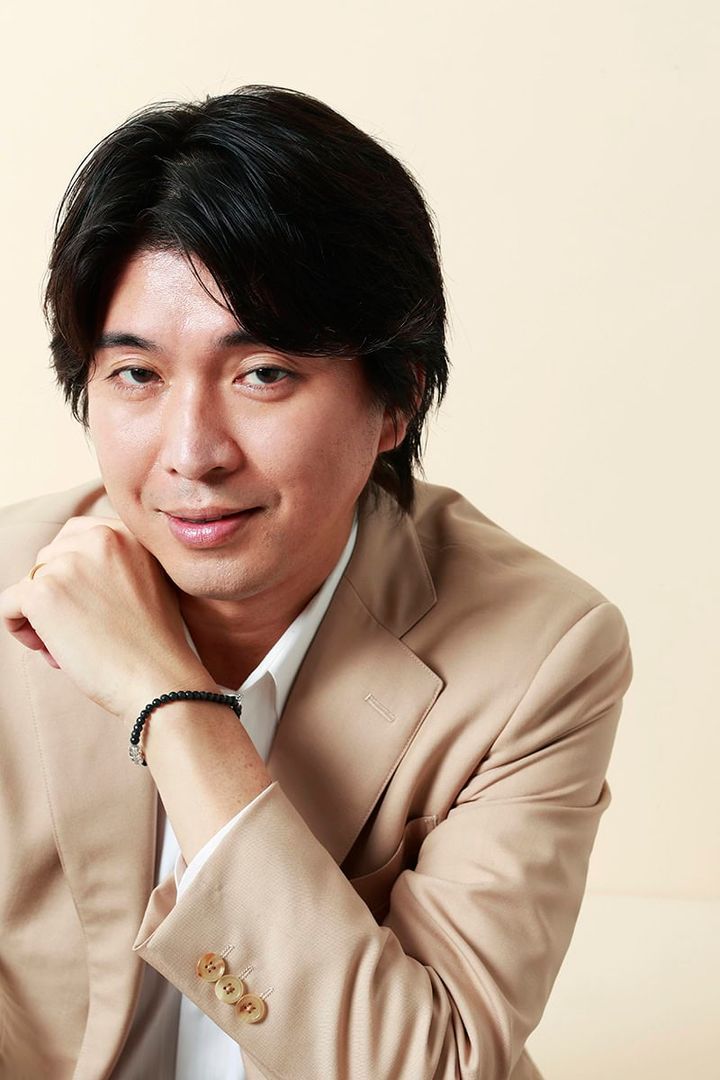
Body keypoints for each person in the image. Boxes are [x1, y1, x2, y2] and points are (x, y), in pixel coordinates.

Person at [0, 85, 633, 1080]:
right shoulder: (12, 587)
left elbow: (434, 1066)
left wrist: (172, 706)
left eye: (264, 373)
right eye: (137, 376)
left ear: (397, 400)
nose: (193, 453)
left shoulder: (540, 654)